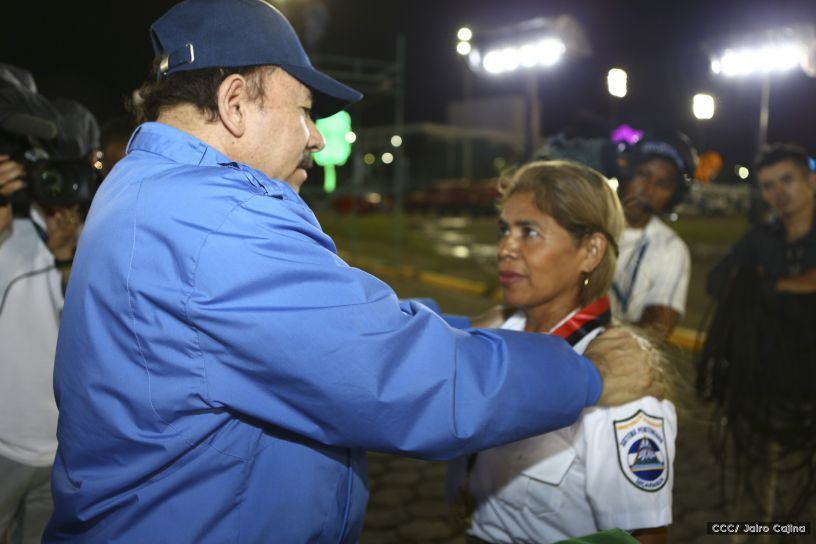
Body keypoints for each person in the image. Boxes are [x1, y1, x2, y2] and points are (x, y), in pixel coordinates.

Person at [45, 1, 661, 542]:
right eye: (306, 111)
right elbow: (400, 377)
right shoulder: (216, 221)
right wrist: (585, 375)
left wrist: (467, 325)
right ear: (235, 103)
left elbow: (335, 324)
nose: (316, 138)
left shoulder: (145, 185)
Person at [450, 161, 676, 544]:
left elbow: (643, 535)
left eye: (530, 232)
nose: (506, 248)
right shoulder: (495, 334)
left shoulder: (621, 372)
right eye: (504, 229)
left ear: (590, 251)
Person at [0, 67, 95, 544]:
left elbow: (83, 333)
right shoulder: (7, 231)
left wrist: (65, 257)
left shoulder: (78, 236)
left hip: (61, 451)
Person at [611, 131, 697, 342]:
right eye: (642, 174)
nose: (647, 190)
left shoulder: (670, 248)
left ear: (673, 197)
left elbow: (657, 329)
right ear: (624, 172)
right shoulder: (584, 223)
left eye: (662, 184)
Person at [706, 143, 816, 298]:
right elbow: (716, 283)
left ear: (812, 181)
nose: (779, 192)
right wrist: (784, 284)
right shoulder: (758, 239)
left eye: (787, 180)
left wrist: (760, 282)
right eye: (768, 185)